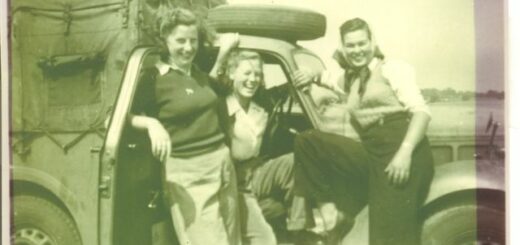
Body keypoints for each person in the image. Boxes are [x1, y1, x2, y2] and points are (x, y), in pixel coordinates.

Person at [293, 18, 434, 245]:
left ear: (372, 42)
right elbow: (327, 79)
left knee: (387, 237)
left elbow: (421, 112)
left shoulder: (391, 69)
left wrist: (405, 153)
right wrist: (311, 75)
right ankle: (331, 216)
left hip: (402, 152)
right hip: (373, 152)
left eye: (361, 44)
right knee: (307, 142)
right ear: (343, 47)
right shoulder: (352, 78)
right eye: (351, 45)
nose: (357, 50)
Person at [130, 8, 241, 245]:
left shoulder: (196, 72)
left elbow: (207, 90)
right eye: (180, 41)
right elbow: (116, 118)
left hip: (222, 165)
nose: (188, 48)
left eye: (193, 41)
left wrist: (224, 52)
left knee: (233, 240)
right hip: (188, 174)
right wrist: (151, 123)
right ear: (165, 40)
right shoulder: (153, 78)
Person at [218, 49, 296, 245]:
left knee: (298, 159)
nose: (252, 80)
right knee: (265, 239)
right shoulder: (220, 108)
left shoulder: (262, 105)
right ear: (231, 73)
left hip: (258, 172)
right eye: (247, 73)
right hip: (233, 181)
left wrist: (310, 75)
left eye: (258, 74)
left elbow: (288, 88)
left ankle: (298, 227)